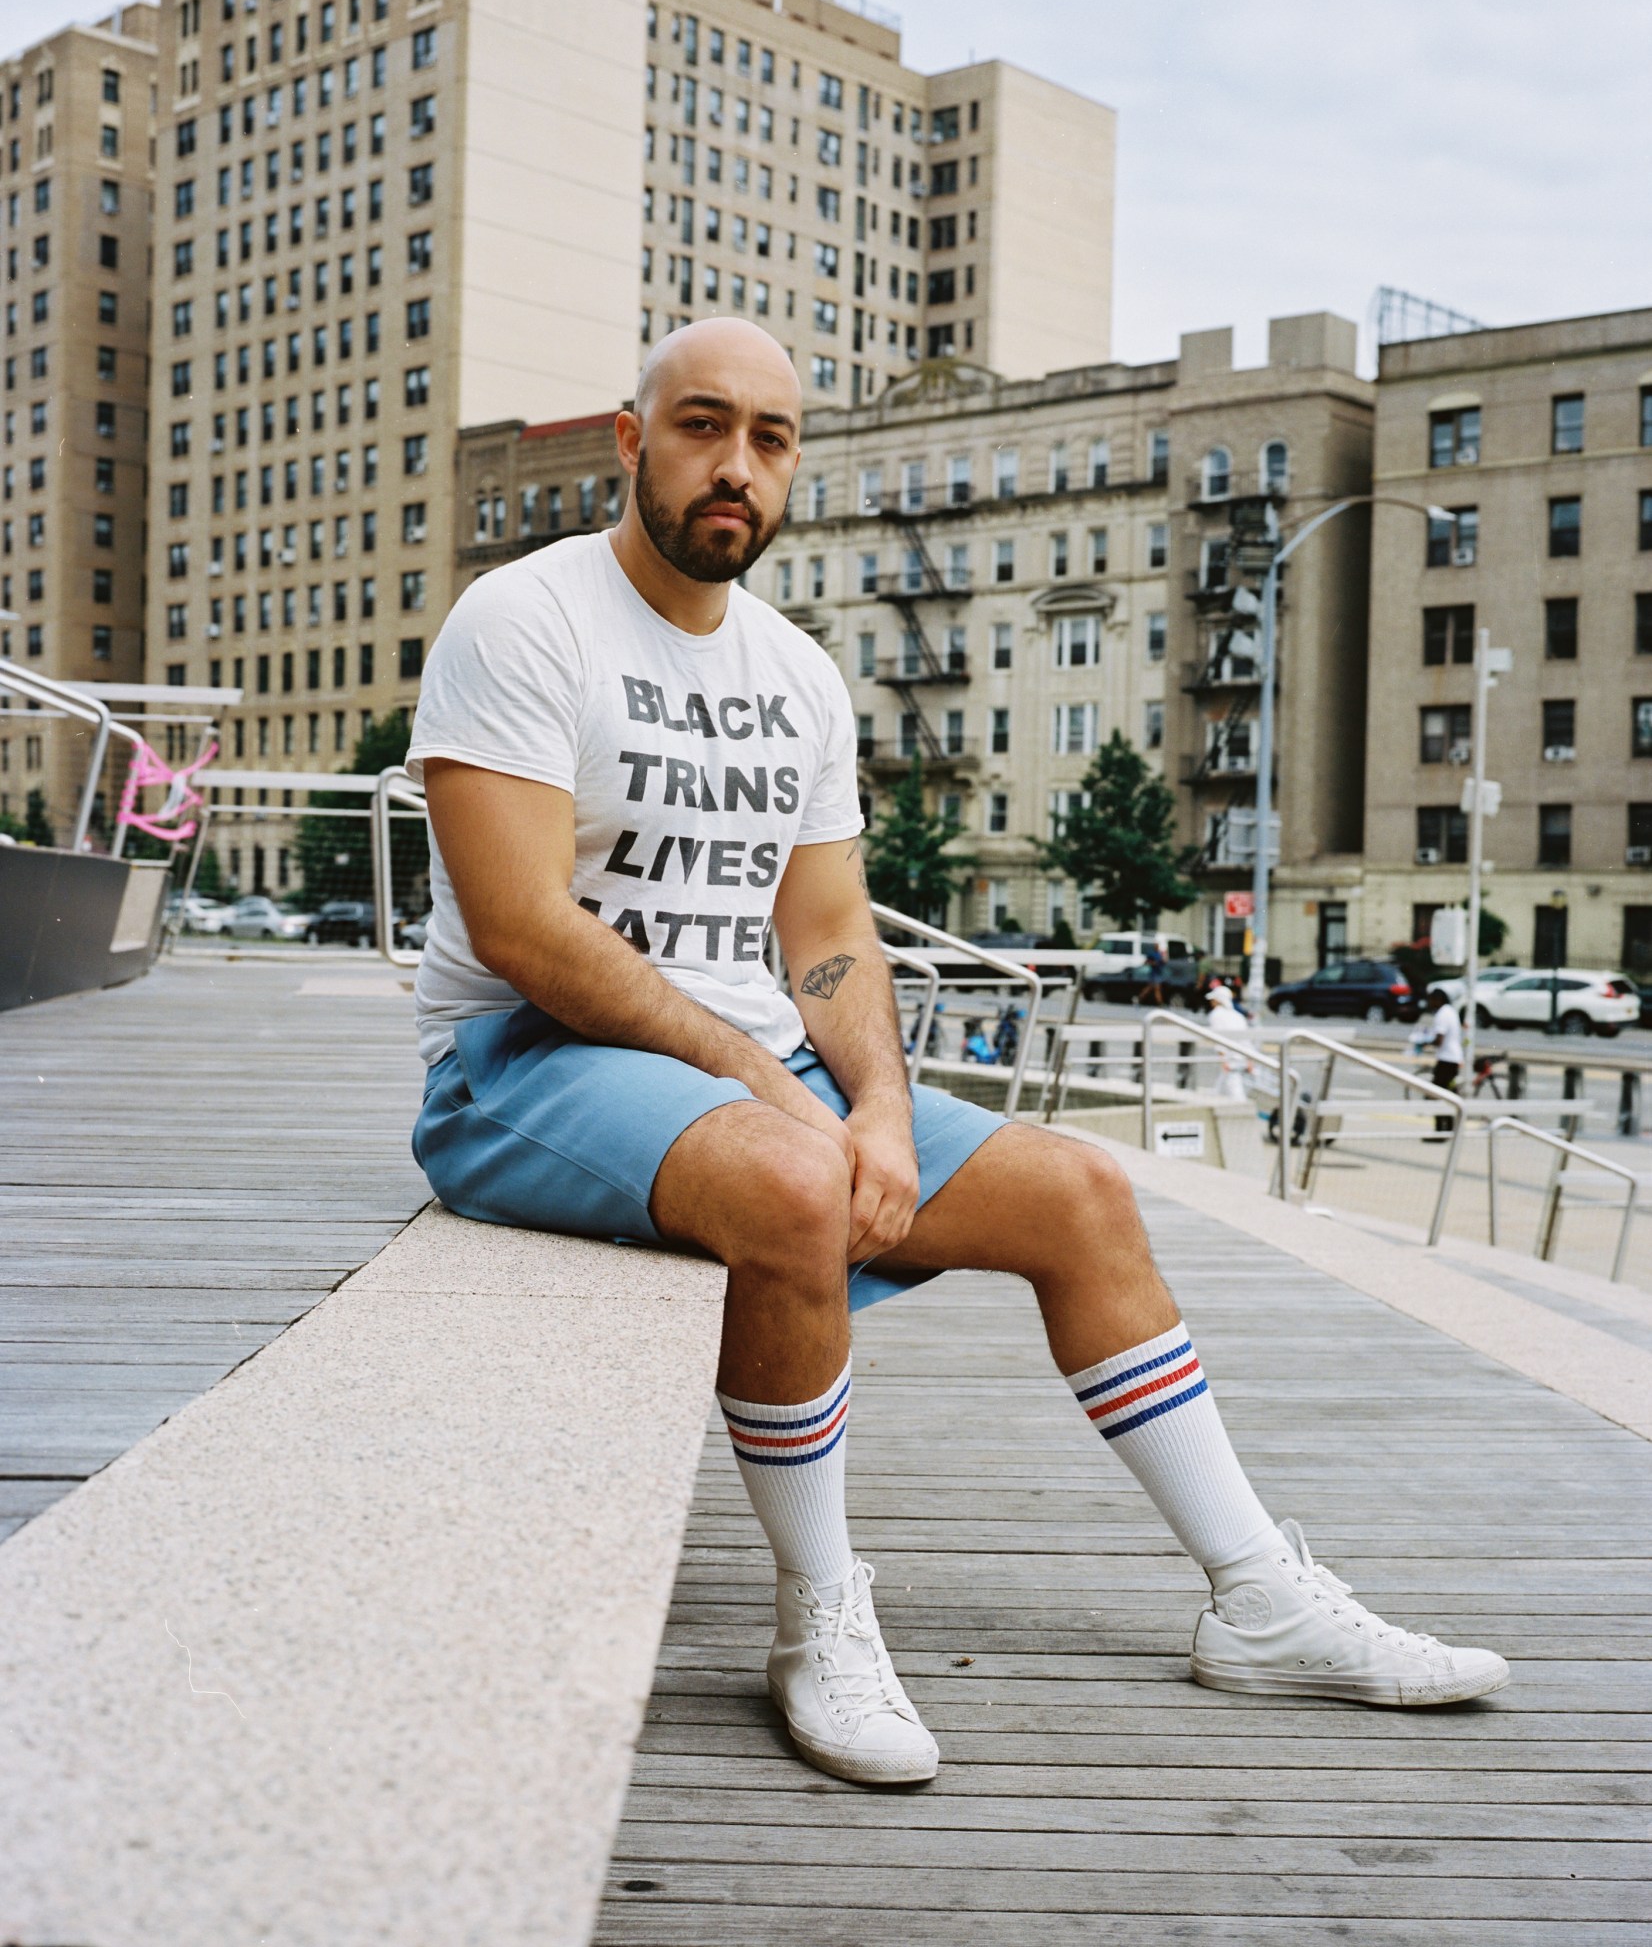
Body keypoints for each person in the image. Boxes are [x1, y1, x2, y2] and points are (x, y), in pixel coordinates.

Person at [405, 320, 1509, 1789]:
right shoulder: (523, 618)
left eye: (773, 438)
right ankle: (821, 1620)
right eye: (703, 426)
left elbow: (831, 928)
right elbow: (524, 926)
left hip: (743, 1075)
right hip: (520, 1062)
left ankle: (1260, 1595)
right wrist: (769, 1087)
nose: (737, 465)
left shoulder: (796, 673)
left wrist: (871, 1097)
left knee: (1083, 1195)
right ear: (631, 438)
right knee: (798, 1179)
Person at [1414, 984, 1465, 1134]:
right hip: (1453, 1058)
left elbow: (1439, 1040)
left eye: (1431, 1000)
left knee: (1436, 1095)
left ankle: (1441, 1130)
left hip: (1446, 1059)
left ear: (1438, 1000)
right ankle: (1449, 1128)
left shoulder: (1442, 1014)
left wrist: (1424, 1043)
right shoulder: (1451, 1011)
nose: (1430, 1004)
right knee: (1449, 1094)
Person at [1204, 980, 1257, 1102]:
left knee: (1234, 1090)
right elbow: (1246, 1040)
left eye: (1213, 999)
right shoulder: (1238, 1016)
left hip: (1229, 1058)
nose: (1211, 1002)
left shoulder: (1216, 1015)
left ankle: (1239, 1111)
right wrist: (1249, 1060)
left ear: (1218, 1000)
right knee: (1228, 1086)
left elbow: (1219, 1041)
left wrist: (1223, 1060)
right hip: (1241, 1057)